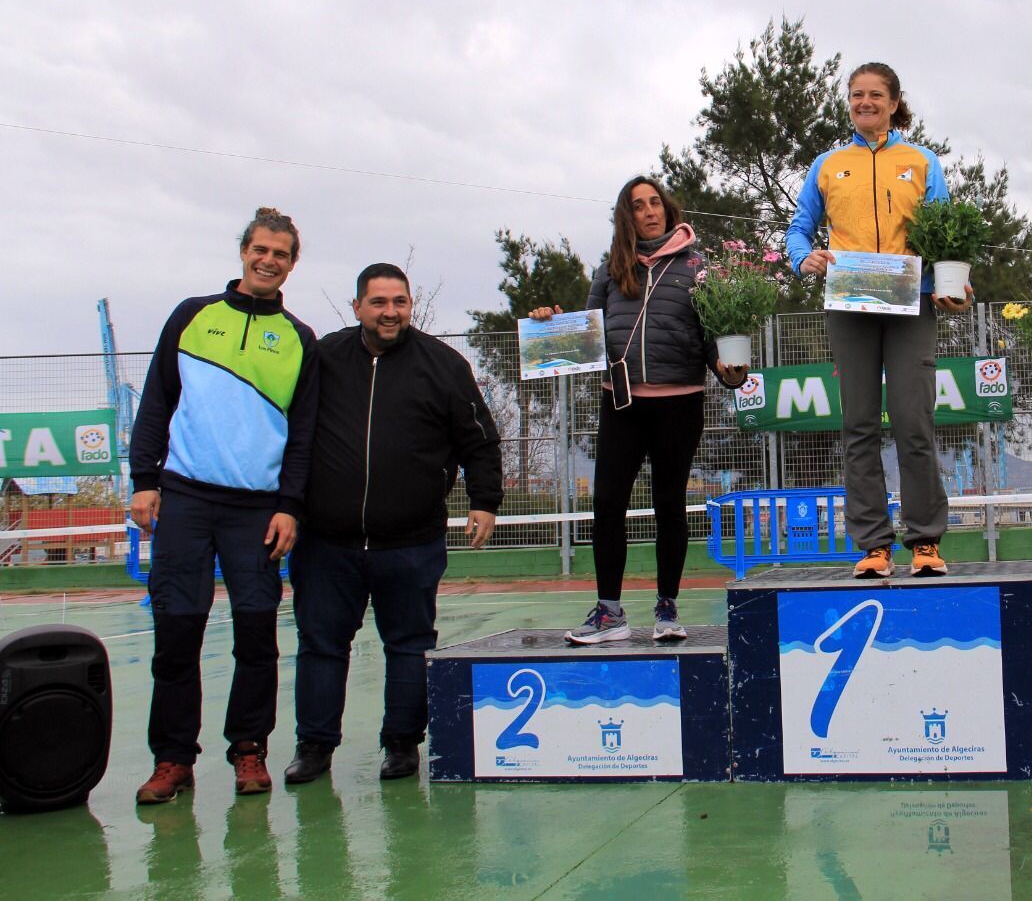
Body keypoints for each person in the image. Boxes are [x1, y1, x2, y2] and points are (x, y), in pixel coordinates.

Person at [285, 263, 502, 784]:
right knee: (320, 646)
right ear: (357, 306)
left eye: (399, 302)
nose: (390, 312)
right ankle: (314, 747)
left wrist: (485, 500)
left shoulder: (443, 365)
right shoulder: (323, 358)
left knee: (408, 645)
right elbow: (292, 432)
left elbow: (480, 440)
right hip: (326, 542)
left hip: (411, 541)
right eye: (379, 302)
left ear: (410, 305)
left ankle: (402, 745)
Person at [129, 207, 319, 803]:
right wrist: (144, 478)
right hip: (184, 499)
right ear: (243, 252)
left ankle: (249, 750)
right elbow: (156, 401)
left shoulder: (300, 339)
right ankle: (172, 759)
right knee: (176, 631)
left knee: (257, 634)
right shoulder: (192, 315)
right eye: (261, 249)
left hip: (257, 510)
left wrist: (290, 506)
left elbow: (304, 435)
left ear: (292, 264)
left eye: (281, 254)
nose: (268, 260)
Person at [532, 176, 746, 645]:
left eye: (655, 203)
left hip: (679, 402)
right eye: (638, 206)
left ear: (667, 209)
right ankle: (609, 612)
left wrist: (727, 370)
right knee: (608, 503)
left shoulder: (697, 266)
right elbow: (588, 335)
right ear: (626, 216)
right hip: (621, 401)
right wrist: (552, 326)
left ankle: (667, 609)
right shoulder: (610, 269)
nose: (649, 211)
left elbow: (714, 335)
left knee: (669, 504)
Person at [786, 61, 972, 579]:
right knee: (859, 426)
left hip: (912, 302)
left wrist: (953, 283)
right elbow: (799, 228)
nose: (865, 102)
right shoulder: (827, 164)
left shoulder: (922, 161)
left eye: (875, 94)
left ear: (893, 103)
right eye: (856, 95)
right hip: (849, 303)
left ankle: (926, 541)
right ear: (849, 102)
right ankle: (873, 544)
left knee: (914, 421)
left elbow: (946, 232)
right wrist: (803, 257)